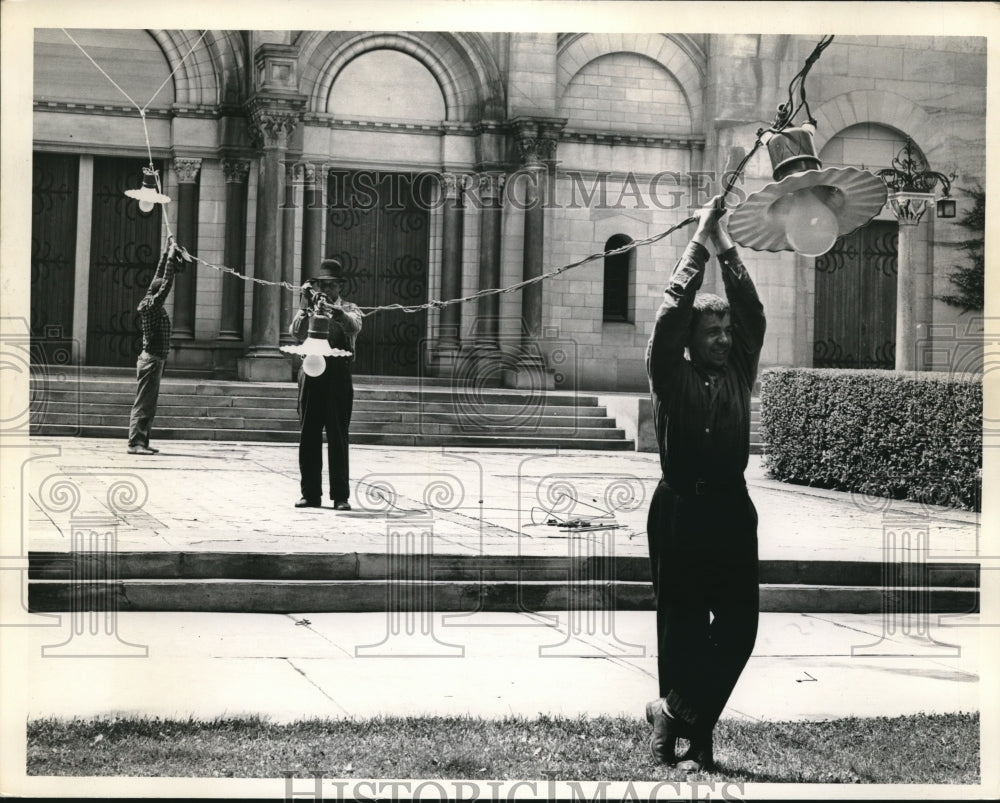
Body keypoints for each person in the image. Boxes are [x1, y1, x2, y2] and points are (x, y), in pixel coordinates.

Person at [644, 195, 766, 771]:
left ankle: (673, 710)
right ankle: (687, 741)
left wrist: (722, 242)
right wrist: (696, 239)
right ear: (692, 340)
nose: (722, 337)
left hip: (731, 509)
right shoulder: (670, 375)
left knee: (740, 626)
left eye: (725, 330)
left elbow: (754, 313)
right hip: (680, 510)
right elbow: (671, 314)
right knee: (683, 624)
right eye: (711, 330)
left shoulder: (741, 369)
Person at [289, 258, 363, 510]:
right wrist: (304, 304)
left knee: (338, 436)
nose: (327, 290)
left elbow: (354, 326)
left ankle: (340, 496)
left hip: (337, 376)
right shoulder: (309, 308)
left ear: (340, 286)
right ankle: (310, 494)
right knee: (308, 434)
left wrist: (336, 312)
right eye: (322, 285)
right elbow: (295, 332)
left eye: (331, 285)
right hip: (310, 374)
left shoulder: (350, 308)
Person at [127, 238, 185, 455]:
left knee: (149, 404)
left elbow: (159, 276)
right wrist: (171, 258)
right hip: (151, 360)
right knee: (144, 403)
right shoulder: (152, 306)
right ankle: (135, 444)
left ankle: (142, 440)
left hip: (153, 360)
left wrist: (166, 252)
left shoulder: (149, 298)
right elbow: (166, 282)